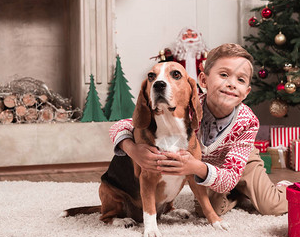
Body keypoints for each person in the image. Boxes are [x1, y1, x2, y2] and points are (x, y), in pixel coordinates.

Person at [109, 43, 289, 216]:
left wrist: (194, 167)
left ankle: (285, 188)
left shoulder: (248, 122)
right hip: (208, 168)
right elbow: (122, 125)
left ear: (246, 92)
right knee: (207, 210)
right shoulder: (186, 105)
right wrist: (132, 150)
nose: (232, 84)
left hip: (241, 163)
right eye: (224, 75)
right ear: (203, 80)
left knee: (270, 206)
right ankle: (238, 194)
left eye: (240, 80)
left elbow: (229, 173)